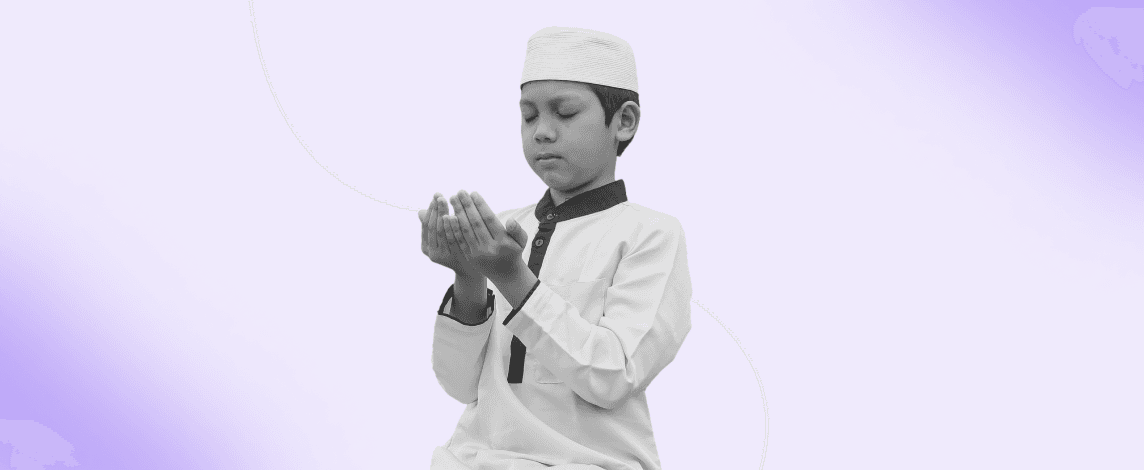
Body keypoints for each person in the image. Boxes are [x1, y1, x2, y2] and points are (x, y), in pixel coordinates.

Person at [418, 26, 692, 470]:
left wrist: (512, 277)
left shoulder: (650, 234)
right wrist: (468, 276)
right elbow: (460, 384)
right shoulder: (509, 230)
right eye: (528, 116)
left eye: (564, 113)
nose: (542, 132)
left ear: (623, 121)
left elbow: (612, 376)